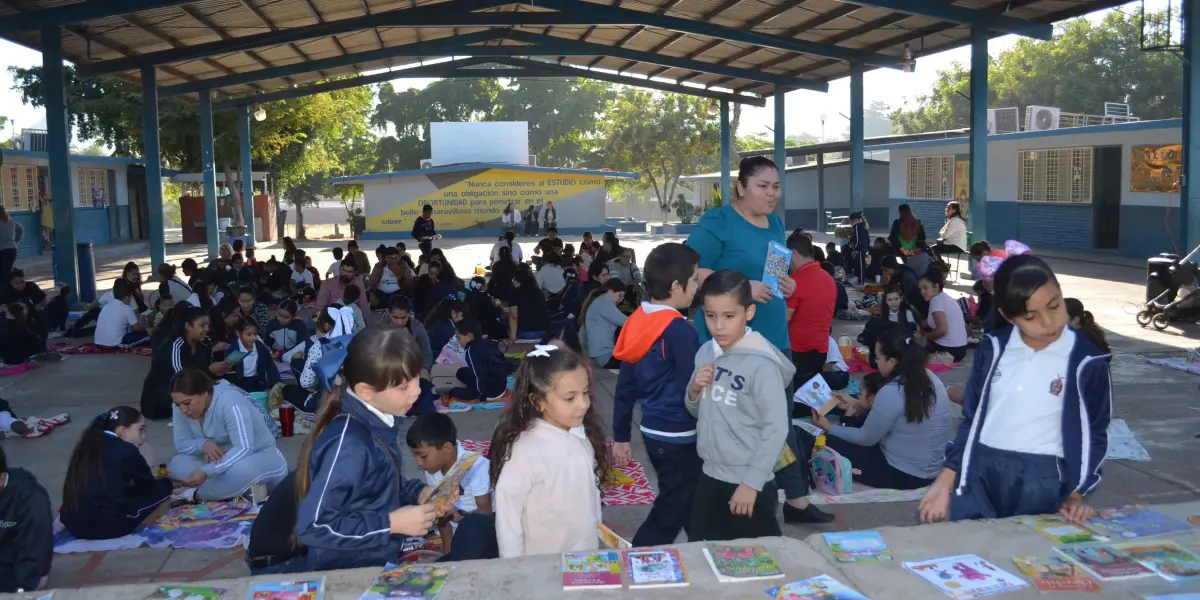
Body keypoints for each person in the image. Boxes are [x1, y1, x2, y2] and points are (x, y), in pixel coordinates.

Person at [920, 255, 1112, 524]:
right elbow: (973, 419)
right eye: (1031, 316)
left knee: (1031, 554)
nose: (1049, 322)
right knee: (976, 550)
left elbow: (1096, 433)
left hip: (1043, 480)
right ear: (1007, 316)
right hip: (981, 473)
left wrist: (1077, 493)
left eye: (1054, 306)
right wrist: (946, 479)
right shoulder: (993, 348)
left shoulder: (1087, 361)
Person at [295, 327, 457, 571]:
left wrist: (420, 492)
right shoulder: (349, 443)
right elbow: (313, 526)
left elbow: (379, 483)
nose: (417, 390)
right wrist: (391, 523)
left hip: (373, 561)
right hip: (344, 571)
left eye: (415, 377)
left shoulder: (382, 419)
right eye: (403, 386)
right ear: (365, 392)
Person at [685, 270, 792, 541]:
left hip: (749, 482)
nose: (718, 326)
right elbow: (696, 411)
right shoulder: (705, 353)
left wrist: (751, 483)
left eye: (729, 316)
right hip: (709, 474)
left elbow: (776, 428)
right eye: (710, 316)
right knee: (701, 551)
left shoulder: (762, 364)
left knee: (761, 559)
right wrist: (695, 390)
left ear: (749, 312)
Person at [609, 243, 703, 546]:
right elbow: (693, 389)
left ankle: (703, 544)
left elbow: (625, 386)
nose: (698, 284)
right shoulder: (680, 331)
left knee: (687, 495)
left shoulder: (638, 320)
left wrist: (621, 435)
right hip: (680, 433)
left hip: (652, 431)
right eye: (696, 278)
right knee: (673, 503)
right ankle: (639, 555)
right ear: (677, 287)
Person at [491, 345, 610, 557]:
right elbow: (508, 518)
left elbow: (592, 494)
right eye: (569, 398)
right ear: (538, 402)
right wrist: (514, 569)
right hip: (544, 567)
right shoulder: (526, 451)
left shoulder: (581, 435)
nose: (582, 404)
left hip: (585, 558)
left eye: (585, 393)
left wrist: (598, 536)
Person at [806, 331, 953, 490]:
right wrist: (857, 403)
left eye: (877, 358)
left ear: (891, 361)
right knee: (859, 420)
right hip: (932, 470)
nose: (875, 363)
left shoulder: (891, 391)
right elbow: (899, 410)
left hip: (903, 473)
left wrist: (828, 427)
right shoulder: (930, 377)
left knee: (821, 441)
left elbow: (866, 438)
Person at [685, 156, 795, 355]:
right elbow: (691, 271)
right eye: (763, 186)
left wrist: (789, 284)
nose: (772, 193)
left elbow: (772, 270)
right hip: (729, 342)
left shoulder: (776, 223)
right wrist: (741, 288)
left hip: (776, 338)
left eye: (776, 186)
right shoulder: (719, 220)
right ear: (741, 188)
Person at [170, 369, 288, 502]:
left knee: (242, 471)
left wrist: (207, 471)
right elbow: (181, 444)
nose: (183, 410)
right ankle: (231, 492)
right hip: (216, 462)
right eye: (177, 404)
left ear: (204, 393)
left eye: (187, 403)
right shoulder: (179, 408)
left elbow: (244, 448)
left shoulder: (230, 401)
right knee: (177, 464)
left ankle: (196, 495)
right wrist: (203, 444)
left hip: (257, 457)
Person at [59, 406, 173, 540]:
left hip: (73, 525)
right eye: (140, 429)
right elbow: (147, 487)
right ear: (122, 431)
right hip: (109, 526)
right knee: (164, 485)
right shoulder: (126, 449)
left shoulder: (85, 444)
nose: (144, 436)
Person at [406, 412, 498, 561]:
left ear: (447, 448)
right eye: (415, 456)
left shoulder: (476, 467)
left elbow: (484, 513)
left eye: (423, 456)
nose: (419, 463)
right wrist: (447, 553)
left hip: (482, 529)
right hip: (456, 528)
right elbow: (443, 519)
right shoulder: (433, 468)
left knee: (472, 526)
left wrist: (457, 516)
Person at [141, 306, 233, 420]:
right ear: (188, 326)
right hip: (162, 400)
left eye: (208, 325)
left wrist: (219, 371)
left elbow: (204, 374)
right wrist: (210, 370)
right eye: (202, 325)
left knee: (225, 388)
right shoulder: (175, 346)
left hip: (191, 391)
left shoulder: (206, 343)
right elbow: (180, 381)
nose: (207, 329)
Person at [785, 232, 836, 391]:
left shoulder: (795, 281)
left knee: (796, 397)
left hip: (799, 349)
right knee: (812, 392)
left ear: (794, 254)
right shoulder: (828, 278)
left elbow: (784, 318)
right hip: (821, 347)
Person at [0, 445, 53, 594]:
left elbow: (35, 553)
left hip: (16, 567)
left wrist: (24, 588)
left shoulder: (31, 497)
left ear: (2, 478)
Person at [449, 317, 508, 403]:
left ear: (469, 336)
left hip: (490, 392)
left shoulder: (471, 350)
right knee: (461, 371)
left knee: (453, 392)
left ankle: (477, 393)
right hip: (501, 385)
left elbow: (480, 376)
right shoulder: (487, 342)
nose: (458, 341)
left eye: (459, 338)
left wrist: (481, 397)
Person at [918, 269, 969, 362]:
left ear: (936, 286)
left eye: (925, 288)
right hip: (960, 348)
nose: (922, 292)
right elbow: (928, 322)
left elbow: (942, 331)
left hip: (950, 349)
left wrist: (923, 337)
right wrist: (917, 324)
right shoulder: (944, 298)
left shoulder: (936, 301)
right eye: (920, 289)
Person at [224, 318, 281, 393]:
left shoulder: (259, 347)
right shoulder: (235, 349)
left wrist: (276, 384)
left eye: (255, 334)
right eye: (249, 334)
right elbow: (228, 370)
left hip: (257, 380)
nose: (253, 338)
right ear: (238, 333)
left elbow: (270, 366)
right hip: (240, 383)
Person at [581, 279, 628, 369]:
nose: (621, 300)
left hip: (604, 355)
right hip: (606, 357)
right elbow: (627, 322)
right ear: (610, 292)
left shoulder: (600, 302)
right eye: (620, 296)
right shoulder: (604, 302)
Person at [383, 296, 434, 373]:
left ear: (409, 314)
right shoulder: (379, 329)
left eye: (403, 318)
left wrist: (424, 369)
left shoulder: (417, 328)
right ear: (389, 313)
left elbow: (427, 354)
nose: (399, 321)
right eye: (395, 317)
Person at [95, 279, 150, 348]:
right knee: (148, 336)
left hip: (98, 342)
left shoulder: (106, 306)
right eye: (130, 297)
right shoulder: (126, 308)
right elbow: (136, 328)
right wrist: (146, 328)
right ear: (127, 297)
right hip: (115, 344)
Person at [507, 267, 549, 342]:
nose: (512, 282)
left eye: (514, 280)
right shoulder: (539, 292)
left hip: (526, 331)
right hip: (543, 330)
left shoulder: (515, 294)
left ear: (519, 281)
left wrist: (513, 337)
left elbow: (513, 316)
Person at [425, 297, 467, 362]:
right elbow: (458, 346)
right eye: (462, 315)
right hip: (434, 359)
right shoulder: (447, 327)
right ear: (453, 313)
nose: (463, 318)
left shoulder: (440, 321)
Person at [464, 276, 506, 340]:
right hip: (488, 327)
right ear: (483, 286)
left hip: (474, 327)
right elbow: (495, 313)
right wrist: (498, 306)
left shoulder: (467, 297)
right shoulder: (484, 298)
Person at [0, 207, 22, 304]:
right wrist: (15, 241)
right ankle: (11, 298)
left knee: (3, 277)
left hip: (2, 251)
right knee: (7, 275)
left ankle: (6, 300)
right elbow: (21, 230)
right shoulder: (11, 220)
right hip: (12, 250)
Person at [846, 211, 871, 281]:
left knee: (860, 266)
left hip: (859, 249)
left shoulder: (857, 226)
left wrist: (855, 249)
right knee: (861, 265)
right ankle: (861, 280)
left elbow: (857, 238)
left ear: (854, 220)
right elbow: (867, 239)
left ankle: (861, 280)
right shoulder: (863, 226)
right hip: (864, 248)